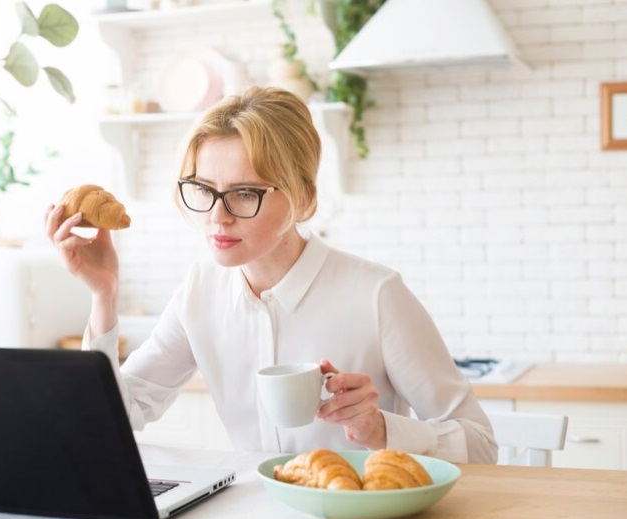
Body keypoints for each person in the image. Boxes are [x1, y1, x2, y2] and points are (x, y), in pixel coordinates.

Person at [45, 86, 498, 464]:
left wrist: (381, 429)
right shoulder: (200, 293)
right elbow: (108, 417)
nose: (217, 217)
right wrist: (104, 296)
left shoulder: (376, 295)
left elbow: (480, 444)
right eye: (203, 189)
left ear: (302, 196)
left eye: (244, 193)